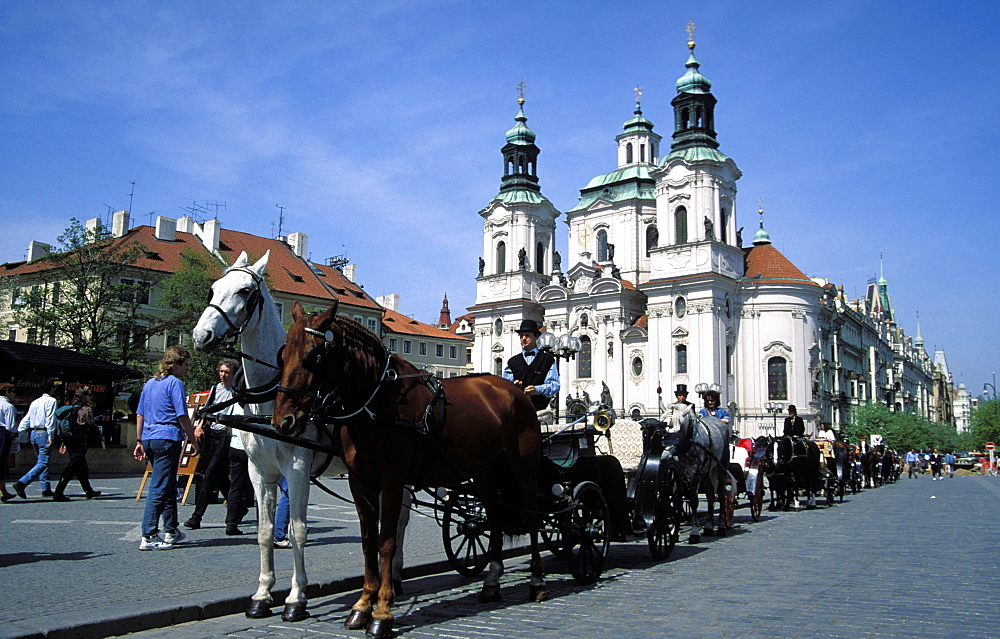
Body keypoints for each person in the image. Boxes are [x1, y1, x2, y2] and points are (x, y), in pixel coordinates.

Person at [134, 346, 198, 550]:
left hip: (149, 438)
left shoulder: (150, 384)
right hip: (167, 438)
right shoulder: (175, 384)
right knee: (160, 487)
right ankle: (149, 534)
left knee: (168, 485)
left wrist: (138, 440)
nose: (186, 369)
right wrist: (192, 439)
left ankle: (171, 530)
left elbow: (140, 414)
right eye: (185, 365)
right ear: (176, 364)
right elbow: (182, 415)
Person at [183, 359, 238, 530]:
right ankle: (239, 507)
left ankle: (196, 517)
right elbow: (207, 410)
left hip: (226, 434)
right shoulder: (216, 388)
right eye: (221, 371)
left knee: (209, 475)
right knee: (220, 475)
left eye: (227, 372)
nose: (223, 375)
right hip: (212, 434)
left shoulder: (237, 390)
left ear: (234, 373)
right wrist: (199, 428)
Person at [52, 389, 102, 501]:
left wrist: (63, 442)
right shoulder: (86, 410)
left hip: (70, 439)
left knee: (81, 465)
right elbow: (91, 424)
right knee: (73, 465)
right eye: (89, 395)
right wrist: (99, 435)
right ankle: (59, 491)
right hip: (80, 440)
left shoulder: (71, 409)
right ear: (84, 397)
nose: (91, 397)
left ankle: (88, 490)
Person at [502, 319, 560, 412]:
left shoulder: (547, 360)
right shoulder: (512, 362)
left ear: (536, 337)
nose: (524, 338)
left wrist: (537, 390)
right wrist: (514, 387)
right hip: (517, 410)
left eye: (527, 335)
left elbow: (554, 385)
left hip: (539, 411)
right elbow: (504, 388)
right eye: (521, 336)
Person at [13, 379, 58, 499]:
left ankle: (45, 488)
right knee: (43, 462)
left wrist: (19, 431)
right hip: (43, 432)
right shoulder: (51, 401)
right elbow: (50, 420)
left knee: (41, 461)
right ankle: (22, 483)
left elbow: (27, 418)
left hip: (33, 433)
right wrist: (51, 437)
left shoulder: (35, 402)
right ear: (51, 389)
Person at [0, 383, 18, 502]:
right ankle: (3, 491)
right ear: (7, 392)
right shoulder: (8, 406)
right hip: (2, 434)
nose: (14, 394)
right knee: (1, 462)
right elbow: (10, 426)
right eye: (12, 392)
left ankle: (3, 491)